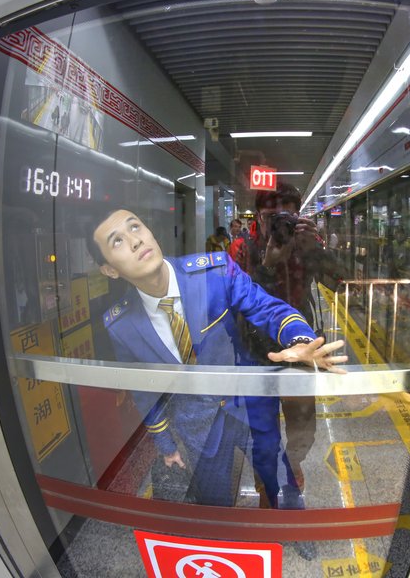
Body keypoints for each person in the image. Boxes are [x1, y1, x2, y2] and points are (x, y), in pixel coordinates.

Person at [87, 208, 346, 507]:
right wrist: (165, 444)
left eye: (135, 227)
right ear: (109, 269)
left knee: (277, 474)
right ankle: (224, 543)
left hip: (249, 404)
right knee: (215, 499)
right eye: (117, 241)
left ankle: (293, 526)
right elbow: (143, 388)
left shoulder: (215, 272)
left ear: (150, 232)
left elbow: (267, 307)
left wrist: (299, 340)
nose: (134, 241)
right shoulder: (121, 325)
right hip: (196, 425)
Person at [236, 181, 342, 499]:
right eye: (271, 217)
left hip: (301, 345)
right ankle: (267, 489)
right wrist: (267, 265)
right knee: (262, 433)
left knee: (303, 428)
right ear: (256, 216)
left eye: (287, 216)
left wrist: (316, 250)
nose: (278, 225)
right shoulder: (242, 247)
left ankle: (292, 471)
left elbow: (338, 283)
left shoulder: (305, 242)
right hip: (257, 351)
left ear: (298, 216)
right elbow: (238, 300)